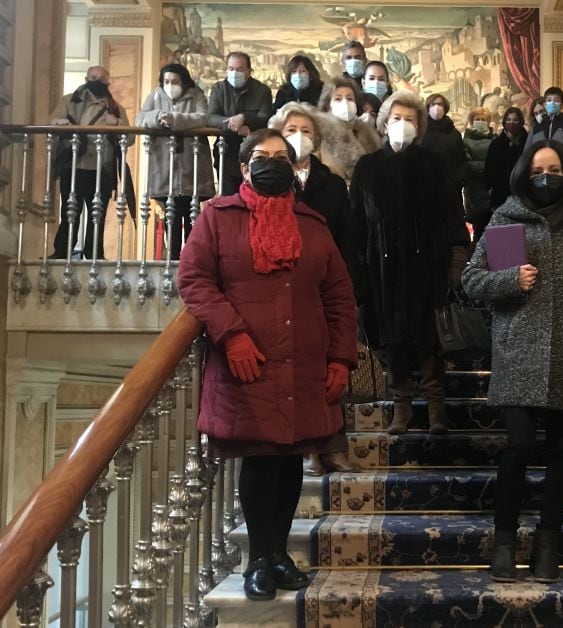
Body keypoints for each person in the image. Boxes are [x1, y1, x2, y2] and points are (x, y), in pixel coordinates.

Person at [178, 128, 357, 602]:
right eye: (262, 156)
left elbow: (339, 295)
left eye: (281, 157)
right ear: (244, 167)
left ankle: (279, 554)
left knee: (291, 459)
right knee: (260, 460)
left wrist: (341, 357)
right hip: (248, 362)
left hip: (303, 364)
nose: (272, 163)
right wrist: (230, 333)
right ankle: (259, 558)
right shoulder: (217, 217)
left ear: (293, 167)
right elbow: (194, 279)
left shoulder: (313, 223)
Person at [463, 140, 563, 584]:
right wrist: (510, 279)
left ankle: (549, 544)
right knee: (520, 446)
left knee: (561, 452)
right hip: (517, 350)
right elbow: (471, 281)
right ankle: (504, 542)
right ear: (525, 173)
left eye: (555, 169)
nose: (546, 176)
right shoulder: (504, 219)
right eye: (538, 169)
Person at [348, 90, 469, 436]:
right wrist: (358, 275)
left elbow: (451, 216)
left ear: (420, 125)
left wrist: (456, 263)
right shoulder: (367, 167)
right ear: (384, 123)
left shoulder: (433, 165)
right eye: (397, 119)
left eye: (410, 119)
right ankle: (401, 406)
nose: (403, 125)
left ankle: (435, 409)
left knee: (431, 339)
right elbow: (356, 225)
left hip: (428, 267)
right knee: (393, 340)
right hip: (381, 272)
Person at [268, 102, 361, 476]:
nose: (300, 137)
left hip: (325, 284)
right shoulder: (270, 180)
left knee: (332, 368)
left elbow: (347, 237)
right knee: (296, 373)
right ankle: (307, 450)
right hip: (282, 285)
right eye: (292, 129)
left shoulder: (333, 183)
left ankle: (334, 447)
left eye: (307, 130)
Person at [137, 63, 215, 260]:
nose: (170, 85)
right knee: (170, 215)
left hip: (192, 165)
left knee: (191, 215)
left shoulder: (196, 94)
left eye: (175, 81)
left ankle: (191, 259)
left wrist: (176, 120)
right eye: (166, 81)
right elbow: (140, 118)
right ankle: (171, 259)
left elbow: (203, 117)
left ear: (184, 81)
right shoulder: (155, 95)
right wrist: (158, 118)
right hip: (164, 165)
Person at [50, 65, 128, 260]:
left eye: (101, 79)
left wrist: (116, 124)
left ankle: (94, 252)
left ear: (107, 83)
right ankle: (62, 251)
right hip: (74, 165)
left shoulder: (116, 108)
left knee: (97, 214)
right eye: (93, 77)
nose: (96, 81)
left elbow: (130, 137)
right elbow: (52, 121)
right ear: (86, 79)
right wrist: (61, 124)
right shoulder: (68, 101)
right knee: (70, 210)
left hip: (102, 168)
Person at [207, 52, 274, 198]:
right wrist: (234, 124)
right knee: (229, 202)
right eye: (231, 69)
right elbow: (211, 118)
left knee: (255, 199)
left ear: (250, 71)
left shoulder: (262, 91)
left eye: (240, 69)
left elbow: (265, 119)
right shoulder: (219, 88)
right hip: (226, 154)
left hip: (256, 155)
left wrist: (244, 118)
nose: (235, 73)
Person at [316, 76, 382, 181]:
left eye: (350, 98)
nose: (345, 103)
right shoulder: (319, 136)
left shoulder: (368, 134)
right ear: (327, 105)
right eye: (338, 99)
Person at [462, 107, 495, 244]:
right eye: (477, 119)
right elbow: (467, 165)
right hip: (474, 192)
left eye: (483, 119)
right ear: (472, 121)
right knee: (479, 234)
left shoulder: (496, 140)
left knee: (495, 235)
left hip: (493, 191)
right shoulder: (465, 141)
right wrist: (489, 166)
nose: (480, 121)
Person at [485, 106, 528, 211]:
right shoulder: (496, 144)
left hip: (521, 193)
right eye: (508, 120)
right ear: (504, 122)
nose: (511, 123)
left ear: (521, 122)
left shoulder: (527, 142)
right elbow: (489, 168)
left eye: (515, 120)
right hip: (499, 194)